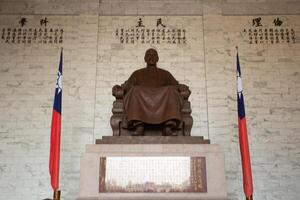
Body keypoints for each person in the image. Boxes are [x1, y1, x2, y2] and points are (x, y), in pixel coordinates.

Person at [113, 48, 187, 136]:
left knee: (171, 90)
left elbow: (176, 86)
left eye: (154, 55)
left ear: (157, 59)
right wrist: (118, 88)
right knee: (135, 90)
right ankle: (139, 125)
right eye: (148, 55)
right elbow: (127, 86)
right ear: (145, 59)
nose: (151, 57)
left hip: (162, 99)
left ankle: (168, 126)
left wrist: (183, 88)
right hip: (141, 97)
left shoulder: (165, 74)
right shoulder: (137, 73)